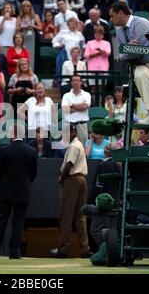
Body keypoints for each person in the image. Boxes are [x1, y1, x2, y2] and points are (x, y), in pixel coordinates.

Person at [0, 124, 37, 259]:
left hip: (6, 191)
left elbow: (0, 171)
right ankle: (14, 252)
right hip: (23, 191)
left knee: (0, 221)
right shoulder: (31, 151)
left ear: (12, 134)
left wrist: (5, 183)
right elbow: (33, 173)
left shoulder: (5, 150)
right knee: (18, 222)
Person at [50, 123, 90, 258]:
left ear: (73, 133)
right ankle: (85, 248)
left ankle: (63, 249)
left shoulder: (73, 146)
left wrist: (62, 178)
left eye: (67, 132)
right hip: (82, 179)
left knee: (66, 216)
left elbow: (69, 164)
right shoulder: (79, 145)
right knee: (80, 217)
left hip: (72, 180)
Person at [61, 74, 91, 146]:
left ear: (81, 82)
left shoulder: (86, 94)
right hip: (69, 126)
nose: (76, 82)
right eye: (74, 80)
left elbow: (85, 106)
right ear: (71, 83)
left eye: (77, 80)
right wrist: (80, 107)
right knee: (67, 149)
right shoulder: (66, 95)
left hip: (82, 125)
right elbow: (65, 109)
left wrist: (72, 105)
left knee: (82, 149)